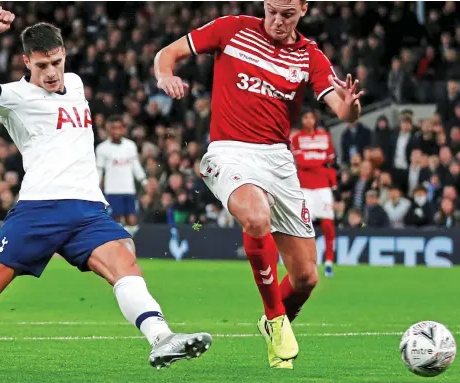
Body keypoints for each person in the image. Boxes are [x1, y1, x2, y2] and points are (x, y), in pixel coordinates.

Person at [0, 7, 211, 372]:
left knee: (124, 263)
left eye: (56, 61)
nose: (52, 72)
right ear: (26, 62)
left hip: (88, 209)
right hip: (39, 209)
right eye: (42, 66)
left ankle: (161, 338)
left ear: (64, 55)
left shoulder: (75, 83)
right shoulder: (14, 98)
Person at [154, 0, 363, 369]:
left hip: (278, 160)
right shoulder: (231, 29)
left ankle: (273, 321)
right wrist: (165, 75)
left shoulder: (310, 56)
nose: (277, 21)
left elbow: (343, 111)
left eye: (287, 14)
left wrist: (351, 106)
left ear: (304, 10)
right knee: (255, 216)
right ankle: (276, 320)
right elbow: (166, 53)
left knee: (306, 278)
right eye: (271, 11)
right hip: (229, 152)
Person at [291, 110, 337, 277]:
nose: (308, 119)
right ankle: (307, 262)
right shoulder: (296, 138)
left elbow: (331, 158)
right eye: (305, 116)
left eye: (310, 116)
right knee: (304, 226)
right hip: (304, 188)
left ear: (315, 119)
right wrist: (320, 158)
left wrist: (312, 159)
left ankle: (329, 262)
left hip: (323, 187)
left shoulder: (324, 137)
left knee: (328, 225)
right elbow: (301, 162)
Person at [96, 115, 148, 236]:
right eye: (113, 128)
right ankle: (117, 248)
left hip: (129, 189)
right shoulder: (102, 148)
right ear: (108, 130)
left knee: (132, 221)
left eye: (119, 128)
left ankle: (129, 245)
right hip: (112, 190)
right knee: (115, 221)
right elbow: (99, 170)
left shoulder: (130, 146)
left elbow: (136, 166)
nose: (116, 131)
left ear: (124, 129)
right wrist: (96, 188)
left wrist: (144, 182)